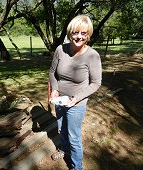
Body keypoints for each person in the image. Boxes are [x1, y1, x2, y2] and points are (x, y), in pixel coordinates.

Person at [49, 15, 102, 170]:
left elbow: (96, 83)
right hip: (59, 100)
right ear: (69, 33)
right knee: (61, 130)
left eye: (83, 33)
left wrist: (76, 98)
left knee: (74, 137)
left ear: (88, 35)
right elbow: (52, 72)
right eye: (76, 32)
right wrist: (55, 90)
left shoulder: (92, 55)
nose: (79, 37)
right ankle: (64, 151)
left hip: (77, 103)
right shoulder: (60, 49)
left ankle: (76, 167)